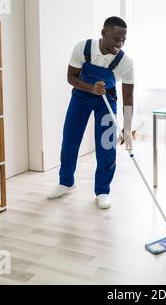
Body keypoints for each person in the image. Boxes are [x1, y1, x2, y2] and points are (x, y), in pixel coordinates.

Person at [47, 16, 134, 209]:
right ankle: (66, 182)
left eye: (123, 40)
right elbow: (71, 77)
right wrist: (90, 88)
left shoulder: (125, 62)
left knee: (106, 147)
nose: (119, 44)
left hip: (107, 101)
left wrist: (127, 129)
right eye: (115, 39)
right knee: (70, 139)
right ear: (103, 33)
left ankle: (103, 190)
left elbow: (128, 98)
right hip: (81, 97)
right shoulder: (83, 48)